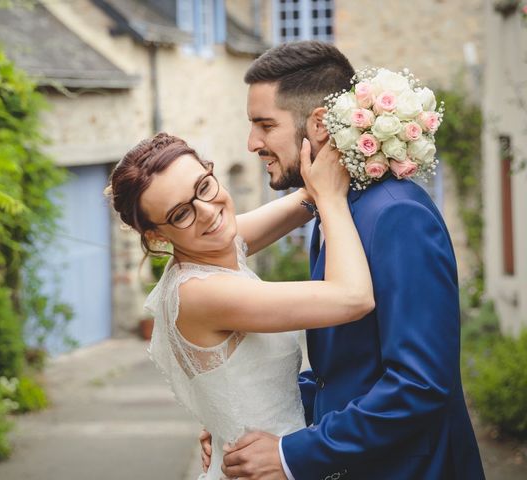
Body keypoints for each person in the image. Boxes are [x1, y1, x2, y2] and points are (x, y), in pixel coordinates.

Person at [204, 40, 484, 480]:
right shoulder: (333, 208)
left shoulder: (396, 214)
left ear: (318, 124)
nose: (252, 143)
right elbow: (342, 375)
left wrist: (291, 455)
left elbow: (419, 384)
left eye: (264, 124)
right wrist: (240, 423)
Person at [106, 131, 374, 480]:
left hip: (267, 457)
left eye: (203, 186)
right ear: (158, 235)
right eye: (180, 214)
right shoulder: (200, 293)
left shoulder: (213, 247)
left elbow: (304, 201)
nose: (206, 212)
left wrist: (357, 135)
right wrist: (333, 200)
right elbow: (354, 298)